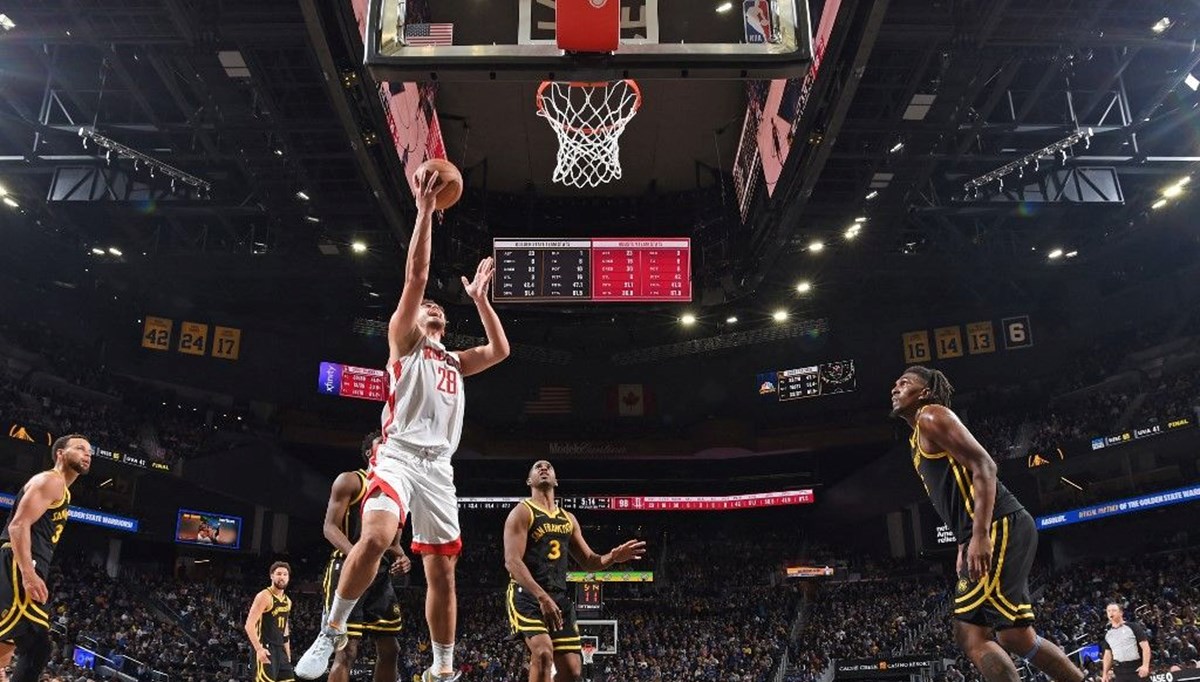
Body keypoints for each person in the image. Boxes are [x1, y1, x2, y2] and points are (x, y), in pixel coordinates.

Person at [297, 166, 511, 682]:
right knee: (374, 536)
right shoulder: (404, 342)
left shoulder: (457, 361)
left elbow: (501, 350)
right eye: (427, 308)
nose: (432, 309)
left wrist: (481, 301)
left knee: (443, 573)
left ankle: (442, 668)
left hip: (439, 469)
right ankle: (332, 632)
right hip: (397, 455)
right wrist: (424, 212)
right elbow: (416, 278)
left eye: (440, 308)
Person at [890, 366, 1088, 682]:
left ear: (925, 392)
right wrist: (962, 542)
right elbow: (957, 491)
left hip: (998, 525)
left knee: (990, 635)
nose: (895, 388)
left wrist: (979, 534)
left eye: (904, 383)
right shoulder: (917, 436)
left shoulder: (932, 415)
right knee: (996, 637)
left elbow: (985, 465)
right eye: (895, 384)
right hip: (987, 530)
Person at [502, 460, 645, 682]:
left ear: (556, 480)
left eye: (548, 467)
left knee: (572, 670)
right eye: (537, 467)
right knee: (542, 654)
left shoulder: (568, 519)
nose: (543, 468)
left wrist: (613, 557)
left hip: (558, 597)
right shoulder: (522, 512)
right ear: (529, 480)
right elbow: (512, 562)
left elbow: (589, 561)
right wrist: (541, 597)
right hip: (527, 595)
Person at [0, 434, 91, 682]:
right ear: (60, 453)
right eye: (80, 448)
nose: (87, 454)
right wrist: (29, 574)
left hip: (22, 562)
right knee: (36, 647)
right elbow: (18, 526)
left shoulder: (63, 491)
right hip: (21, 562)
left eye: (90, 452)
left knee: (10, 640)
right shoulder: (52, 481)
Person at [324, 431, 413, 682]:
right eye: (382, 443)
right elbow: (329, 527)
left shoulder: (397, 489)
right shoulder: (351, 480)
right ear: (369, 453)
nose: (389, 446)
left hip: (380, 574)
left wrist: (403, 557)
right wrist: (359, 559)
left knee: (390, 649)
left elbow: (394, 543)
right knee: (347, 651)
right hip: (346, 566)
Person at [244, 562, 294, 682]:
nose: (282, 577)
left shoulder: (288, 601)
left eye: (285, 574)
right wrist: (259, 649)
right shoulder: (264, 596)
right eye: (278, 574)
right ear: (271, 576)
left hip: (280, 649)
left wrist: (287, 651)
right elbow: (249, 625)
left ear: (288, 578)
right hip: (266, 647)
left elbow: (285, 627)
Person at [1102, 603, 1151, 682]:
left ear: (1121, 613)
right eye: (1108, 611)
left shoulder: (1133, 627)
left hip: (1135, 667)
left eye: (1114, 610)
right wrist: (1105, 673)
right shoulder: (1108, 634)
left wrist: (1145, 665)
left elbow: (1145, 647)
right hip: (1119, 670)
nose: (1111, 613)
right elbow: (1108, 654)